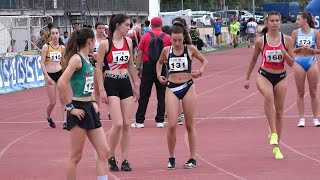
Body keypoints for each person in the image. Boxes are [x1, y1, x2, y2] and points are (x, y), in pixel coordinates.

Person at [57, 27, 109, 180]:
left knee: (104, 151)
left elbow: (88, 84)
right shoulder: (76, 59)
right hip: (78, 109)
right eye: (94, 42)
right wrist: (69, 108)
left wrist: (93, 100)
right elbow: (61, 83)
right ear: (89, 41)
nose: (95, 45)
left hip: (89, 108)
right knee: (75, 156)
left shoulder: (88, 58)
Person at [156, 22, 208, 169]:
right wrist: (158, 75)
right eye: (174, 40)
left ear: (184, 38)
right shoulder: (167, 50)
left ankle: (192, 158)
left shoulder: (190, 49)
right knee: (171, 124)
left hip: (188, 87)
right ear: (170, 39)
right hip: (171, 87)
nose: (177, 43)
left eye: (179, 40)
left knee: (189, 125)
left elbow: (205, 61)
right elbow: (159, 63)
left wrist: (201, 71)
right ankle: (171, 157)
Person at [244, 11, 295, 160]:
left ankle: (277, 147)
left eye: (277, 20)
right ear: (267, 23)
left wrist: (284, 53)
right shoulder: (261, 41)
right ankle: (273, 133)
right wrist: (247, 78)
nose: (274, 23)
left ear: (280, 22)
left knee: (279, 112)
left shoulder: (287, 40)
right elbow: (253, 60)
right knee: (268, 96)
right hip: (264, 75)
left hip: (280, 76)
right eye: (271, 20)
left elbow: (291, 63)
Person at [95, 14, 140, 172]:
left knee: (127, 124)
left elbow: (131, 65)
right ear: (118, 25)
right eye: (127, 25)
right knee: (118, 123)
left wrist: (136, 84)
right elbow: (98, 68)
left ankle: (125, 159)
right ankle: (110, 156)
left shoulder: (128, 42)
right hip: (111, 83)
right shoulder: (105, 44)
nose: (129, 28)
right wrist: (101, 90)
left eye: (130, 25)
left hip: (125, 83)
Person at [131, 17, 171, 129]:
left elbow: (139, 53)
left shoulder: (146, 36)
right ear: (161, 24)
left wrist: (138, 68)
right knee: (161, 94)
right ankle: (160, 120)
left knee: (144, 94)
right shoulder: (167, 37)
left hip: (148, 66)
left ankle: (139, 121)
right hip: (162, 66)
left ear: (151, 25)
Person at [291, 12, 320, 127]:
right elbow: (290, 49)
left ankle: (315, 118)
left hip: (311, 61)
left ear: (305, 20)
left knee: (313, 91)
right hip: (299, 62)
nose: (296, 21)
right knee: (300, 91)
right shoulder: (295, 33)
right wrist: (298, 49)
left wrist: (311, 49)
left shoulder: (315, 33)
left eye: (298, 19)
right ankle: (301, 118)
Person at [40, 27, 67, 129]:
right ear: (50, 35)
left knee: (63, 98)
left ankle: (65, 121)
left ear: (59, 35)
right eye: (53, 33)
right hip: (49, 74)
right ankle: (48, 116)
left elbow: (63, 62)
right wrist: (46, 76)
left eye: (56, 33)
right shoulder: (46, 47)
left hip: (59, 73)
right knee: (53, 102)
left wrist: (66, 74)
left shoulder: (62, 48)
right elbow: (42, 63)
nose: (55, 35)